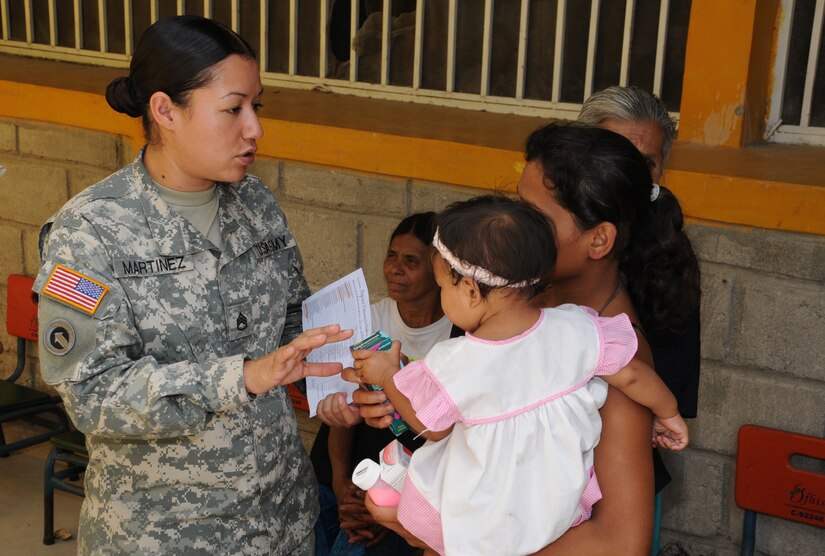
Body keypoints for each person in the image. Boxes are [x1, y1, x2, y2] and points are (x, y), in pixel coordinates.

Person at [34, 15, 353, 555]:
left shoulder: (255, 205)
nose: (254, 128)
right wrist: (243, 376)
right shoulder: (90, 231)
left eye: (258, 107)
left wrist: (342, 377)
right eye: (233, 109)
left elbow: (294, 319)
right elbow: (93, 393)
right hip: (167, 535)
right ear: (165, 110)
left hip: (281, 522)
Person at [355, 123, 700, 554]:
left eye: (534, 214)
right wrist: (404, 399)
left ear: (599, 239)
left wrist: (452, 542)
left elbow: (618, 544)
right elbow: (482, 415)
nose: (514, 221)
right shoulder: (513, 298)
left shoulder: (602, 346)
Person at [577, 85, 702, 493]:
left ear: (660, 172)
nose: (629, 174)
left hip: (620, 471)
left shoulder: (666, 253)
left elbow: (668, 382)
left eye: (645, 163)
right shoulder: (534, 237)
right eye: (615, 153)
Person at [311, 212, 453, 555]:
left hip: (414, 481)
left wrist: (389, 508)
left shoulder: (456, 334)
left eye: (410, 261)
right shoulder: (369, 319)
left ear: (438, 271)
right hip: (350, 464)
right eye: (391, 256)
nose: (395, 269)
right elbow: (344, 411)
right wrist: (342, 483)